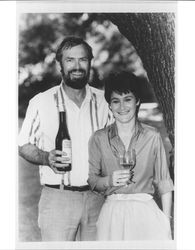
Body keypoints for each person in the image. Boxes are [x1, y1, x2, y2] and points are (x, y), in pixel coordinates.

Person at [18, 36, 113, 241]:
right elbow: (23, 145)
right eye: (70, 60)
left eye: (83, 59)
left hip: (98, 199)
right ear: (59, 64)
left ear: (90, 62)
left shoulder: (105, 102)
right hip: (57, 200)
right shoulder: (41, 102)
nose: (77, 66)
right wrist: (46, 158)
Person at [88, 71, 174, 241]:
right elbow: (92, 181)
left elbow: (164, 183)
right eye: (115, 101)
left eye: (127, 99)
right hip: (112, 214)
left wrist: (166, 220)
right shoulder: (98, 138)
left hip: (146, 213)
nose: (122, 107)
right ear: (110, 105)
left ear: (137, 101)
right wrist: (109, 181)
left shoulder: (152, 136)